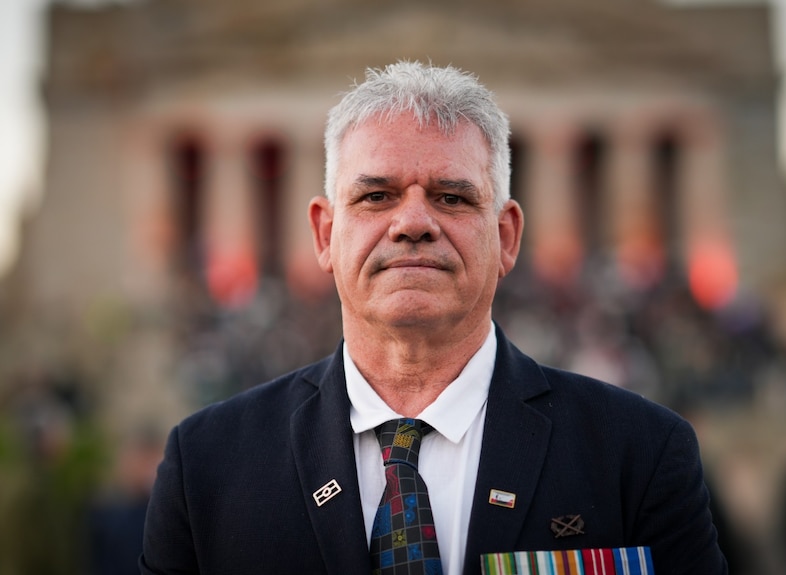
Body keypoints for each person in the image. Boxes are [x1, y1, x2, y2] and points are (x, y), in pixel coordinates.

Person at [140, 61, 727, 575]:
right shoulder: (209, 463)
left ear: (506, 237)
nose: (413, 223)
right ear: (324, 233)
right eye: (376, 197)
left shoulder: (639, 454)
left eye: (451, 196)